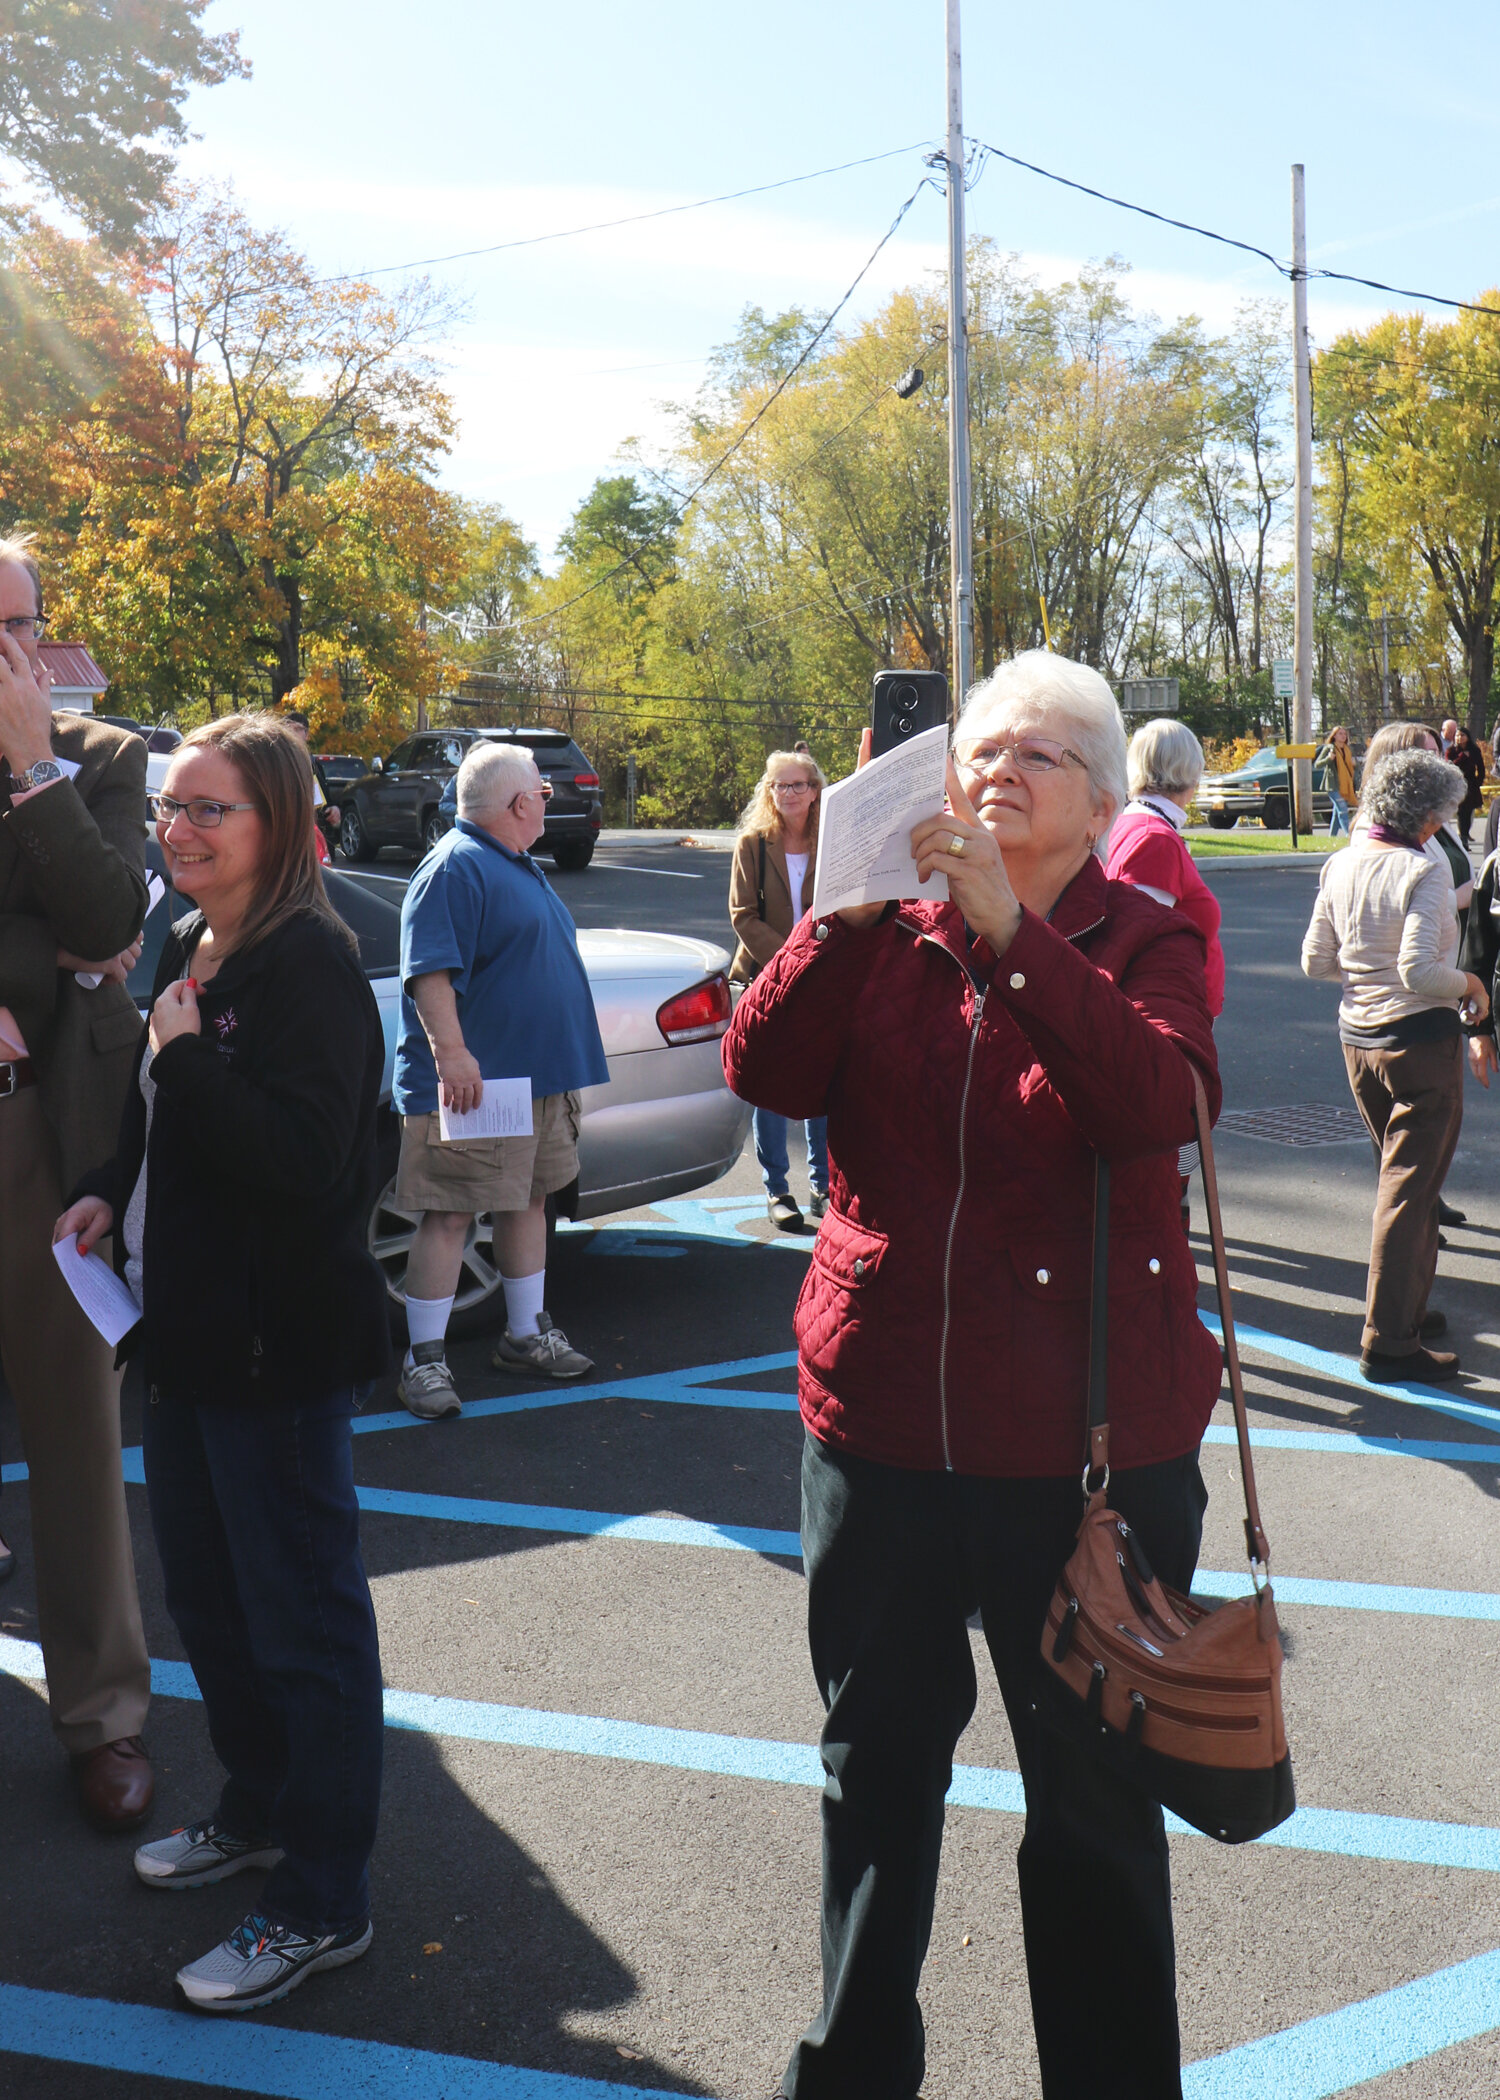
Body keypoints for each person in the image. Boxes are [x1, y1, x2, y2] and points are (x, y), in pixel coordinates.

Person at [725, 650, 1222, 2100]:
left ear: (1103, 801)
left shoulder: (1145, 933)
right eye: (979, 753)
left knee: (1092, 1813)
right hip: (878, 1433)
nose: (996, 774)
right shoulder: (881, 927)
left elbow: (1155, 1105)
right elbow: (767, 1073)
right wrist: (837, 918)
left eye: (1039, 758)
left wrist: (1016, 939)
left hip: (1085, 1459)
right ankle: (854, 2073)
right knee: (874, 1777)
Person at [55, 713, 391, 2011]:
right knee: (213, 1605)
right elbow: (161, 1122)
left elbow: (309, 1168)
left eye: (212, 810)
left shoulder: (309, 964)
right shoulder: (191, 941)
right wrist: (103, 1187)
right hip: (181, 1341)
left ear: (281, 827)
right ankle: (256, 1810)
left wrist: (188, 1054)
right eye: (172, 807)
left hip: (275, 1356)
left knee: (306, 1625)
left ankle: (322, 1899)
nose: (177, 828)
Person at [0, 532, 155, 1833]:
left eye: (23, 625)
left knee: (76, 1441)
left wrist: (32, 764)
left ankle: (103, 1717)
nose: (10, 651)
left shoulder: (99, 763)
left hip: (50, 1140)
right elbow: (55, 946)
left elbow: (107, 927)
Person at [392, 739, 608, 1417]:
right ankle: (423, 1361)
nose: (545, 801)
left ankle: (524, 1335)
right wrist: (452, 1055)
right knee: (451, 1212)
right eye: (541, 793)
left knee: (530, 1200)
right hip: (479, 1086)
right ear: (520, 804)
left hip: (533, 1083)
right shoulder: (454, 867)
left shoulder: (509, 862)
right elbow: (430, 970)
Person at [1301, 748, 1485, 1383]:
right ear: (1428, 816)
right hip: (1418, 1043)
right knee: (1409, 1192)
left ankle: (1405, 1311)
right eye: (1443, 813)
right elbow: (1420, 972)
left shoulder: (1341, 861)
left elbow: (1316, 962)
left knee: (1403, 1183)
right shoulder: (1421, 870)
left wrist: (1365, 972)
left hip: (1358, 1040)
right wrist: (1471, 986)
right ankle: (1389, 1339)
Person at [728, 750, 830, 1228]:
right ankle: (777, 1191)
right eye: (779, 786)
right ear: (769, 794)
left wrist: (817, 961)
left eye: (797, 785)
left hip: (824, 976)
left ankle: (823, 1186)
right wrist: (790, 961)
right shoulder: (752, 843)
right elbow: (742, 915)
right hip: (767, 976)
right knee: (770, 1086)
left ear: (814, 791)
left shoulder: (832, 840)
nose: (788, 794)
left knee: (822, 1084)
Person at [279, 707, 338, 859]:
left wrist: (334, 809)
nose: (292, 732)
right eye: (288, 729)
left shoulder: (313, 764)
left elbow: (322, 801)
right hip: (287, 837)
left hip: (314, 838)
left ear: (307, 735)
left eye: (298, 729)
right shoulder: (276, 764)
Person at [1317, 724, 1357, 836]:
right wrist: (1328, 759)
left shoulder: (1347, 750)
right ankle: (1348, 835)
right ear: (1334, 736)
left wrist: (1355, 764)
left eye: (1345, 734)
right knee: (1343, 810)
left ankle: (1332, 837)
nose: (1343, 736)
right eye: (1340, 734)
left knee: (1337, 811)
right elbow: (1317, 764)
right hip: (1333, 785)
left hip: (1345, 784)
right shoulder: (1330, 748)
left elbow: (1350, 767)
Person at [1452, 724, 1486, 848]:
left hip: (1471, 785)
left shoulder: (1474, 750)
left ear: (1467, 737)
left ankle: (1465, 835)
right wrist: (1462, 756)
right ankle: (1463, 839)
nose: (1459, 738)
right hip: (1457, 783)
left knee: (1468, 811)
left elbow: (1480, 767)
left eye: (1462, 735)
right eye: (1457, 735)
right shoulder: (1452, 750)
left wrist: (1478, 781)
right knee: (1461, 812)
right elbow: (1450, 765)